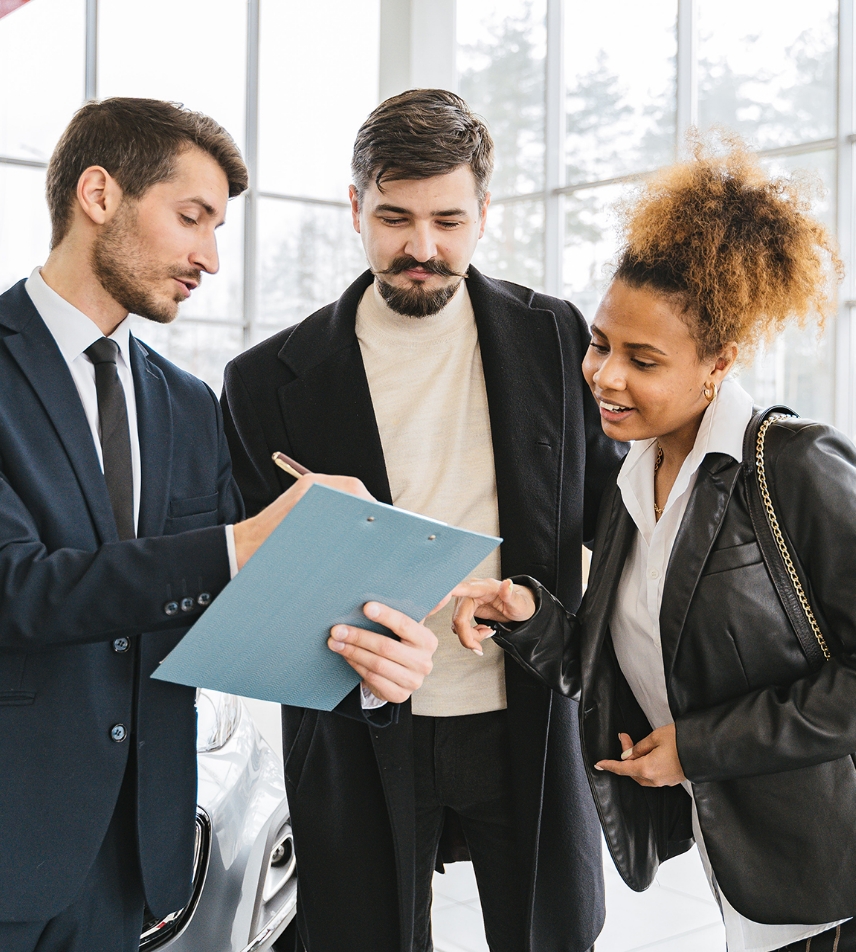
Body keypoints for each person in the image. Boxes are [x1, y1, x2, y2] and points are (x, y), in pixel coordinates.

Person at [0, 97, 437, 952]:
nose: (208, 256)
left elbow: (238, 610)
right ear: (99, 194)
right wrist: (244, 542)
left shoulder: (187, 404)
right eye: (191, 217)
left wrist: (371, 662)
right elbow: (17, 590)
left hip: (135, 858)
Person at [221, 88, 625, 952]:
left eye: (448, 218)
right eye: (396, 218)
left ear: (485, 212)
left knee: (553, 934)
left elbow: (611, 511)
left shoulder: (555, 334)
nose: (423, 248)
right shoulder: (263, 381)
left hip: (522, 711)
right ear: (355, 207)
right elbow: (251, 582)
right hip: (355, 726)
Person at [450, 135, 856, 952]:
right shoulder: (634, 481)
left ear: (719, 362)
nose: (604, 376)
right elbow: (626, 667)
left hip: (829, 874)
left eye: (643, 359)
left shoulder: (797, 467)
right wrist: (529, 617)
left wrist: (698, 749)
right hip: (740, 870)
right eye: (601, 344)